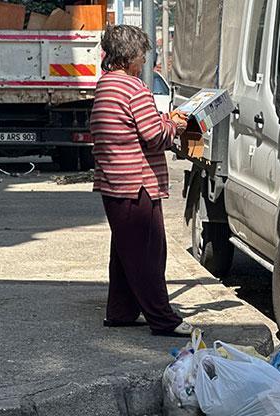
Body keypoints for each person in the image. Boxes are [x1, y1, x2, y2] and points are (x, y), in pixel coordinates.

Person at [90, 25, 192, 337]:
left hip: (113, 182)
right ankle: (163, 320)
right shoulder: (135, 89)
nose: (145, 59)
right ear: (131, 55)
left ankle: (120, 312)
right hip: (137, 184)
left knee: (125, 252)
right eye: (142, 53)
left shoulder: (106, 85)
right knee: (149, 254)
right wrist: (174, 124)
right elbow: (153, 136)